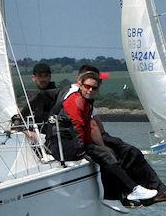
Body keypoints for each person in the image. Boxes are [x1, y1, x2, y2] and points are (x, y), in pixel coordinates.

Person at [65, 64, 166, 204]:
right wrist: (103, 146)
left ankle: (143, 193)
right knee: (128, 153)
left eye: (96, 84)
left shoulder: (84, 95)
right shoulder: (76, 96)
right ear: (81, 80)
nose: (94, 87)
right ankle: (145, 192)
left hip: (94, 136)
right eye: (91, 83)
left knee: (130, 152)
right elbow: (91, 126)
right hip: (87, 139)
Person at [49, 69, 158, 205]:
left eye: (93, 88)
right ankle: (132, 189)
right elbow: (78, 127)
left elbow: (87, 128)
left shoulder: (87, 101)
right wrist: (83, 150)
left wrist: (93, 146)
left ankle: (112, 196)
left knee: (108, 152)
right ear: (80, 85)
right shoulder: (75, 100)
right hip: (64, 146)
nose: (90, 90)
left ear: (98, 89)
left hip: (71, 142)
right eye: (87, 86)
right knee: (105, 154)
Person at [15, 62, 59, 127]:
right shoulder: (38, 95)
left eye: (46, 76)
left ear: (50, 77)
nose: (43, 79)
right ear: (33, 78)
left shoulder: (56, 93)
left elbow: (36, 100)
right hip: (40, 132)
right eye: (40, 76)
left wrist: (19, 117)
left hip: (54, 131)